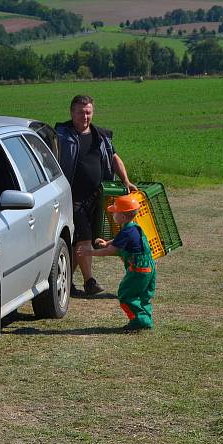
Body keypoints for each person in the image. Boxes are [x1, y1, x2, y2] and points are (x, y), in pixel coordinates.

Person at [55, 94, 138, 296]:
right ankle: (89, 282)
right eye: (80, 112)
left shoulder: (101, 136)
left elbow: (114, 158)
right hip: (72, 198)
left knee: (83, 242)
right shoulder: (61, 136)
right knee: (84, 239)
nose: (85, 116)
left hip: (97, 197)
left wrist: (125, 180)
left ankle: (64, 282)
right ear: (71, 112)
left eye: (88, 112)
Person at [76, 194, 156, 332]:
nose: (112, 214)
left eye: (114, 212)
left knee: (126, 295)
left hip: (139, 270)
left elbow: (110, 251)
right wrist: (107, 242)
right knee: (143, 295)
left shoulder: (127, 232)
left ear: (123, 217)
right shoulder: (134, 227)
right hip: (149, 267)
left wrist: (89, 252)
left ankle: (137, 322)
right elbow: (120, 240)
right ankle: (145, 320)